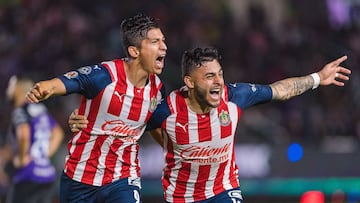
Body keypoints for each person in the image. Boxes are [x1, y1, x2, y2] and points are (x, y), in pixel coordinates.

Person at [69, 47, 350, 203]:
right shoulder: (165, 109)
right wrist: (80, 120)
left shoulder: (235, 96)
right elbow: (124, 122)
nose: (218, 81)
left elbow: (279, 89)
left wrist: (317, 78)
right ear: (190, 83)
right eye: (210, 76)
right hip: (182, 197)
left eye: (220, 74)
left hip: (224, 191)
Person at [25, 13, 167, 203]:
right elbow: (72, 80)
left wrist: (177, 151)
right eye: (156, 42)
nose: (164, 47)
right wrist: (47, 87)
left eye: (163, 41)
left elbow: (156, 126)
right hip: (80, 176)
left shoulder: (157, 89)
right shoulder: (104, 76)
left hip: (122, 177)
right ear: (135, 51)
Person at [5, 75, 65, 203]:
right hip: (47, 175)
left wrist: (22, 158)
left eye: (11, 86)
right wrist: (44, 155)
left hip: (28, 175)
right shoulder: (40, 110)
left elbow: (24, 134)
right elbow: (58, 133)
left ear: (18, 89)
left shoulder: (20, 111)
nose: (8, 89)